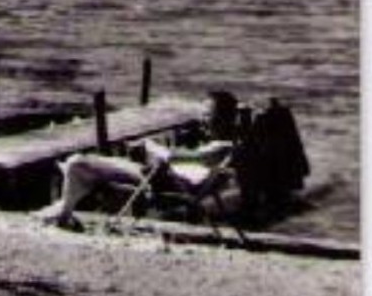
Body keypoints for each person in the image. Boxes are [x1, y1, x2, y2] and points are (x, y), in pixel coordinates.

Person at [35, 90, 242, 229]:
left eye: (208, 115)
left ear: (222, 117)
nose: (203, 120)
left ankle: (64, 209)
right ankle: (66, 206)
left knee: (78, 163)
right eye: (203, 115)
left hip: (162, 181)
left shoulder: (223, 147)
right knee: (83, 164)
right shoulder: (222, 147)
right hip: (161, 177)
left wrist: (151, 146)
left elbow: (177, 157)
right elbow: (186, 161)